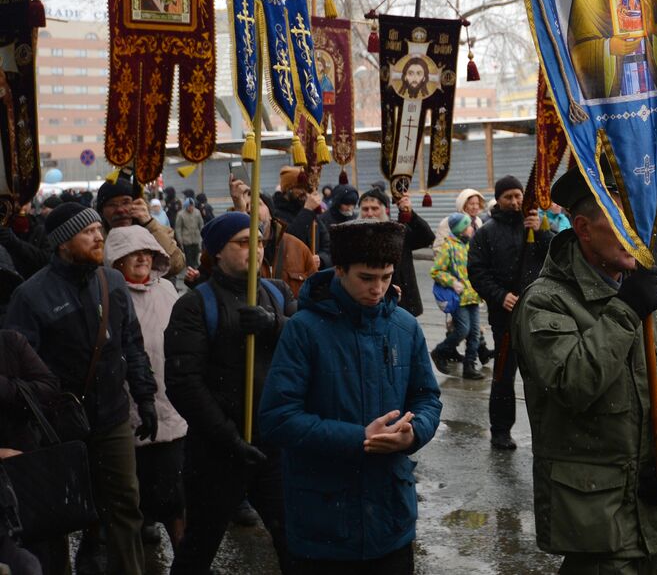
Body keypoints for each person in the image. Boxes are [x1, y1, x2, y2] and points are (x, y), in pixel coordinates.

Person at [513, 166, 657, 573]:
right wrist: (626, 312)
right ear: (583, 229)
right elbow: (572, 384)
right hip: (596, 523)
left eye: (640, 217)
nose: (636, 233)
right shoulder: (546, 302)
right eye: (622, 221)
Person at [259, 219, 442, 574]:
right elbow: (278, 418)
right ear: (339, 271)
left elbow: (427, 398)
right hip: (323, 521)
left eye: (386, 277)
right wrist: (358, 437)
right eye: (366, 278)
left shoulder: (405, 326)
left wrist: (415, 431)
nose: (378, 289)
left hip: (391, 517)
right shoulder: (304, 329)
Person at [4, 203, 157, 575]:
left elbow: (131, 343)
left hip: (112, 418)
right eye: (87, 232)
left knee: (125, 505)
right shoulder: (31, 296)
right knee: (55, 513)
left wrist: (145, 396)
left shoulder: (113, 282)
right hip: (57, 427)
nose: (98, 236)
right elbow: (18, 367)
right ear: (62, 244)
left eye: (97, 229)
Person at [164, 212, 295, 574]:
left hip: (273, 446)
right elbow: (183, 383)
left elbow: (306, 345)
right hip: (217, 452)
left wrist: (276, 326)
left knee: (293, 542)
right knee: (199, 547)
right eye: (243, 242)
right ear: (218, 251)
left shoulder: (277, 293)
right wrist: (228, 437)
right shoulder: (194, 305)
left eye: (260, 241)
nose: (255, 249)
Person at [104, 226, 188, 549]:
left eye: (147, 251)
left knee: (175, 492)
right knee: (132, 496)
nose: (142, 258)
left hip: (170, 406)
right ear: (116, 259)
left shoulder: (167, 289)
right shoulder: (109, 295)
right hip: (125, 409)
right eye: (132, 253)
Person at [467, 175, 554, 449]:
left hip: (539, 313)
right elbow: (477, 272)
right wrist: (500, 295)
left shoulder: (538, 225)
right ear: (499, 200)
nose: (515, 202)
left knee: (545, 376)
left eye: (518, 196)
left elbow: (558, 257)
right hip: (504, 318)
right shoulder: (486, 233)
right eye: (509, 197)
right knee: (503, 376)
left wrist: (541, 232)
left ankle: (548, 431)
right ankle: (500, 430)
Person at [0, 323, 58, 575]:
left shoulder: (10, 343)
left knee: (37, 556)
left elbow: (49, 388)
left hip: (23, 474)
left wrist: (8, 388)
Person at [357, 187, 430, 318]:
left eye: (374, 208)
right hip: (368, 301)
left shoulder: (398, 230)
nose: (370, 213)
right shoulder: (353, 234)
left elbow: (427, 238)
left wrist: (410, 213)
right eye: (365, 209)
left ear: (385, 210)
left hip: (403, 302)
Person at [96, 176, 185, 280]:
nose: (120, 210)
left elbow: (176, 264)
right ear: (102, 211)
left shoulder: (155, 229)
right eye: (112, 205)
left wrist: (149, 224)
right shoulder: (96, 239)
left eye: (126, 202)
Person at [429, 213, 484, 379]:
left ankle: (469, 366)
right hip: (458, 297)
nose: (471, 228)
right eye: (468, 225)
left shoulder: (472, 245)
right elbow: (436, 271)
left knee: (474, 333)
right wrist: (453, 282)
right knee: (463, 330)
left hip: (473, 296)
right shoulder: (449, 246)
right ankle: (440, 351)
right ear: (460, 230)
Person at [271, 166, 322, 252]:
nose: (304, 192)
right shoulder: (276, 212)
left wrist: (321, 259)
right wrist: (307, 210)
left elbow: (326, 243)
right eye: (299, 188)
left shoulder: (310, 212)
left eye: (306, 188)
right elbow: (290, 239)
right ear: (288, 189)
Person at [316, 184, 360, 268]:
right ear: (338, 203)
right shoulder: (323, 219)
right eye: (346, 204)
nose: (349, 208)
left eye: (352, 205)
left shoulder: (354, 217)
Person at [174, 197, 204, 272]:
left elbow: (201, 224)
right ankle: (190, 271)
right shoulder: (181, 214)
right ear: (186, 206)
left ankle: (195, 270)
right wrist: (180, 240)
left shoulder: (197, 212)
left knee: (196, 256)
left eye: (192, 206)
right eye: (189, 206)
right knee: (189, 258)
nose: (191, 208)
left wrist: (202, 236)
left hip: (196, 238)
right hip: (186, 239)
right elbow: (178, 228)